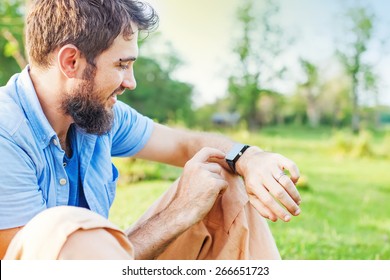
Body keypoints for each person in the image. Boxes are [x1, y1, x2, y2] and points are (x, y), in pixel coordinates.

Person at [0, 0, 301, 260]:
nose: (131, 82)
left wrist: (248, 157)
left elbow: (185, 144)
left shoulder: (95, 114)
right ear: (72, 61)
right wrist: (177, 214)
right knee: (64, 231)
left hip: (110, 260)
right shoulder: (6, 132)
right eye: (121, 64)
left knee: (220, 174)